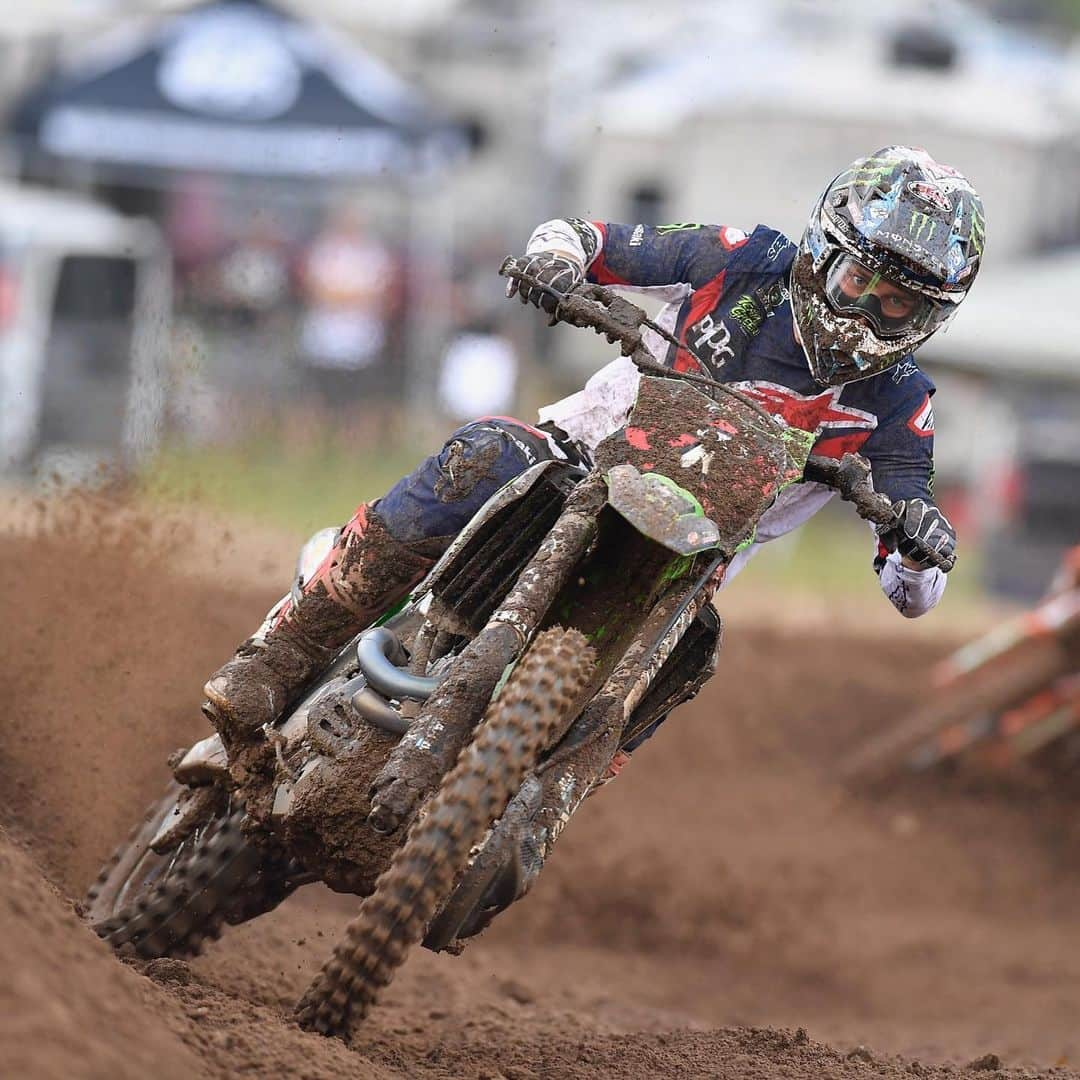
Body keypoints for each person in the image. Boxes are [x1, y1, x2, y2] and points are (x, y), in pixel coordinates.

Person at [202, 146, 983, 883]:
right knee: (489, 452)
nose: (868, 312)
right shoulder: (741, 260)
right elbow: (586, 236)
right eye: (861, 282)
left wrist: (919, 545)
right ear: (822, 249)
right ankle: (272, 659)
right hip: (577, 459)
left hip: (690, 559)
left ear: (929, 317)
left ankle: (537, 819)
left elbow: (911, 585)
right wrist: (556, 264)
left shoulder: (900, 404)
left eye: (898, 303)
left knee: (690, 652)